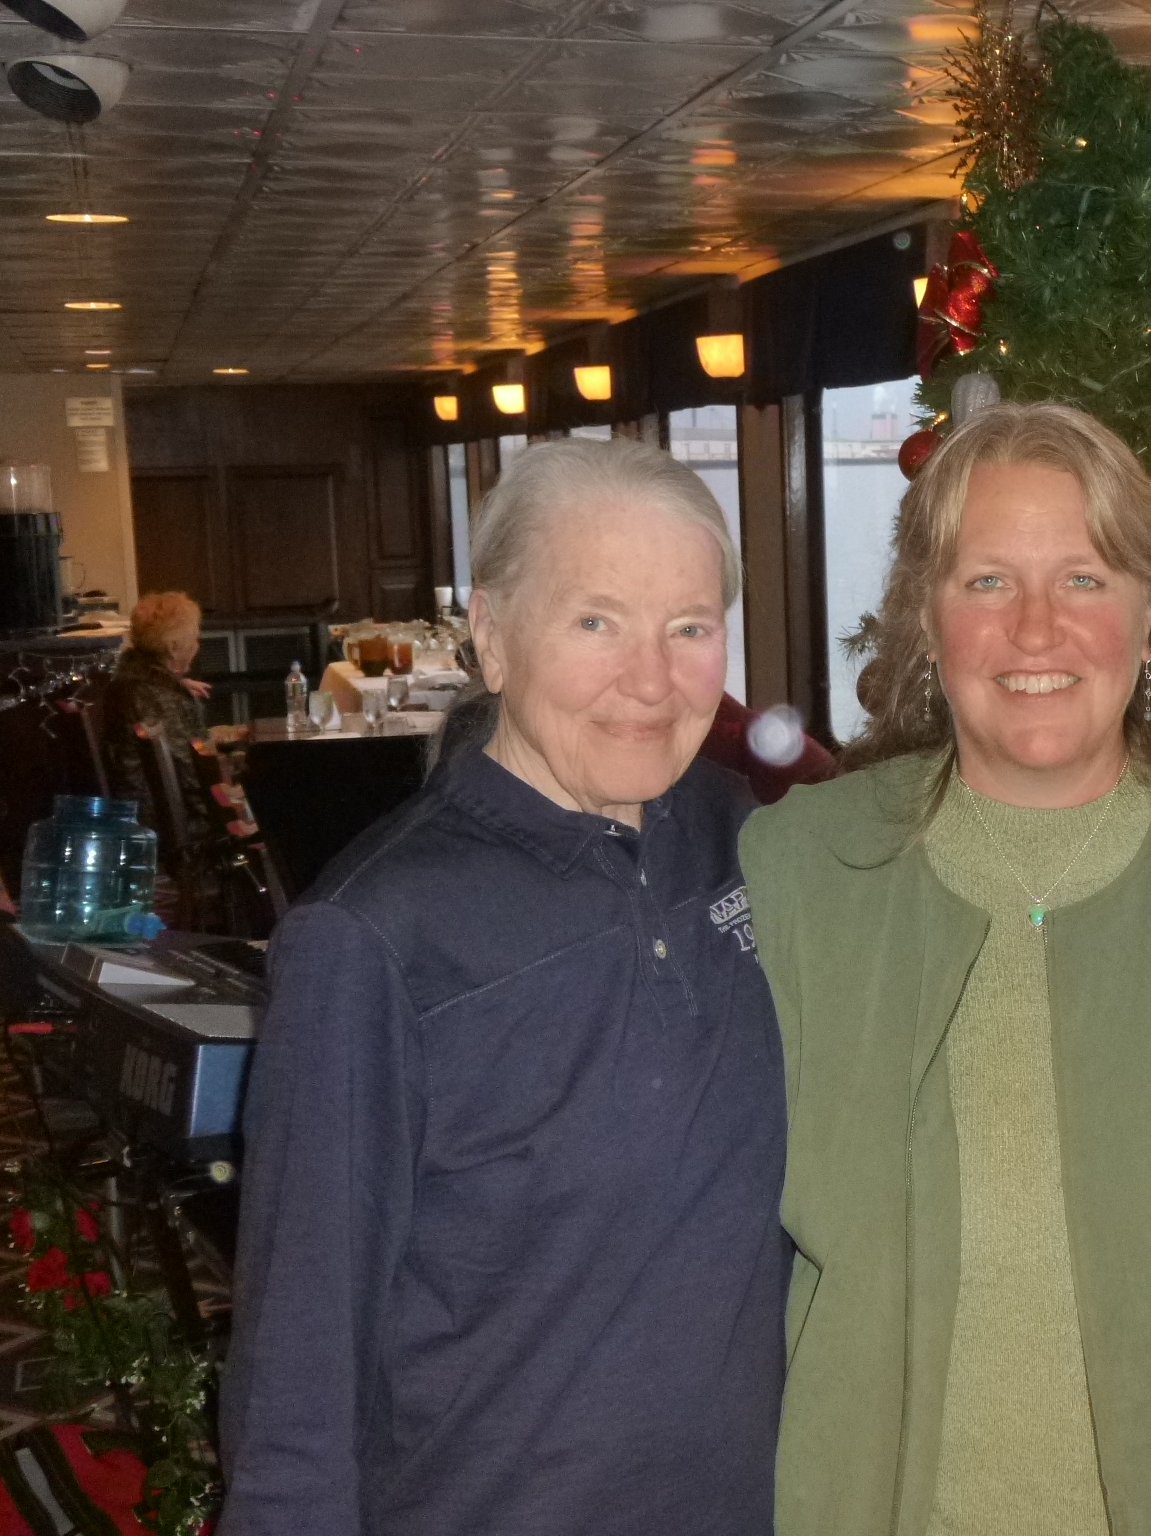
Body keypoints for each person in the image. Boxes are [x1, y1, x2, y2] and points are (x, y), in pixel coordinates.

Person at [739, 401, 1151, 1536]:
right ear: (927, 617)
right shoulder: (800, 871)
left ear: (1150, 615)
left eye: (1084, 579)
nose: (1035, 629)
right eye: (987, 581)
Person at [220, 439, 788, 1536]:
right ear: (490, 634)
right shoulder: (371, 938)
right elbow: (298, 1365)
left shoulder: (741, 839)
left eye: (689, 627)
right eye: (596, 622)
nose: (651, 680)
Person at [102, 590, 211, 809]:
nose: (197, 645)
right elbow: (189, 776)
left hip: (141, 807)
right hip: (163, 816)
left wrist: (176, 683)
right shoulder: (158, 697)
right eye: (194, 638)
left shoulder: (131, 681)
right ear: (173, 646)